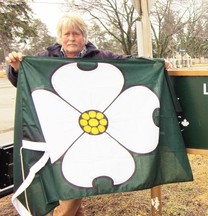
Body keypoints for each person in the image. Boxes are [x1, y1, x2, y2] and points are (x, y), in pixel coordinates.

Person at [6, 13, 172, 216]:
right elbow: (24, 83)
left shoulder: (100, 57)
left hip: (88, 133)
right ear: (60, 36)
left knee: (73, 183)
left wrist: (156, 63)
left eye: (76, 34)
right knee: (66, 182)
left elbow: (129, 63)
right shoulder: (44, 59)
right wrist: (15, 68)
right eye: (67, 34)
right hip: (57, 133)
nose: (71, 38)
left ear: (84, 36)